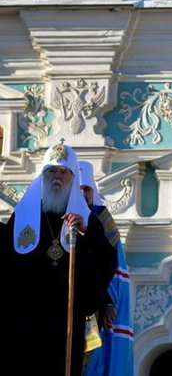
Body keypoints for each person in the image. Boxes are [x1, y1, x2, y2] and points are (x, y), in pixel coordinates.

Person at [0, 142, 116, 376]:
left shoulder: (86, 221)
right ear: (42, 176)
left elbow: (105, 262)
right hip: (22, 322)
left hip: (64, 323)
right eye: (51, 171)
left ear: (72, 179)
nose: (57, 177)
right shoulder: (23, 216)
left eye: (63, 172)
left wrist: (87, 233)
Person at [80, 161, 135, 376]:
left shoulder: (102, 220)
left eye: (87, 189)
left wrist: (109, 301)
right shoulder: (56, 219)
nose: (83, 194)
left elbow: (109, 264)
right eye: (78, 189)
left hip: (95, 303)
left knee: (95, 357)